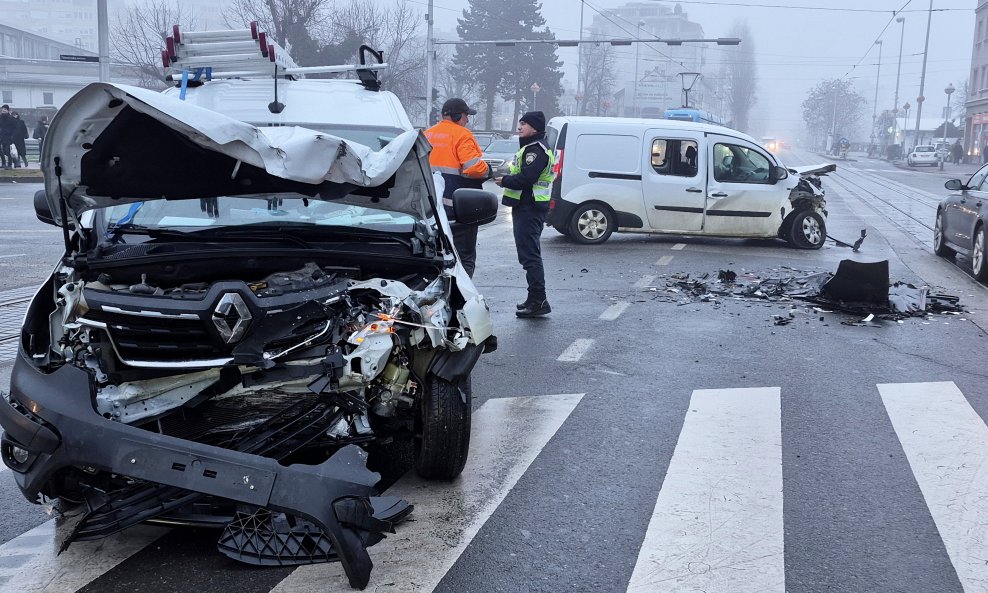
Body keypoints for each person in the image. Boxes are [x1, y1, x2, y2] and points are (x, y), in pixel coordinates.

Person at [494, 111, 554, 318]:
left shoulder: (536, 150)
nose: (519, 127)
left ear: (535, 128)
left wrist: (505, 181)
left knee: (530, 256)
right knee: (528, 255)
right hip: (526, 206)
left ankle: (539, 300)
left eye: (524, 124)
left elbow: (527, 178)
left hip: (530, 207)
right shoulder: (530, 148)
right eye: (519, 123)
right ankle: (534, 297)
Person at [423, 98, 490, 277]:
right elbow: (474, 167)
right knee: (464, 256)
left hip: (430, 208)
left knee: (435, 255)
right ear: (458, 115)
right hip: (459, 208)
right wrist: (487, 170)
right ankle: (462, 298)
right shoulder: (462, 134)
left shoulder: (427, 134)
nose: (467, 120)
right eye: (466, 115)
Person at [0, 105, 14, 170]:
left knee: (7, 151)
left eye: (5, 110)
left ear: (8, 110)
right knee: (0, 151)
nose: (3, 111)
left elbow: (15, 127)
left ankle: (10, 164)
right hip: (1, 136)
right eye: (2, 110)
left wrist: (12, 135)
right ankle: (3, 163)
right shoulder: (0, 118)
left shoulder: (11, 118)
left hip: (8, 137)